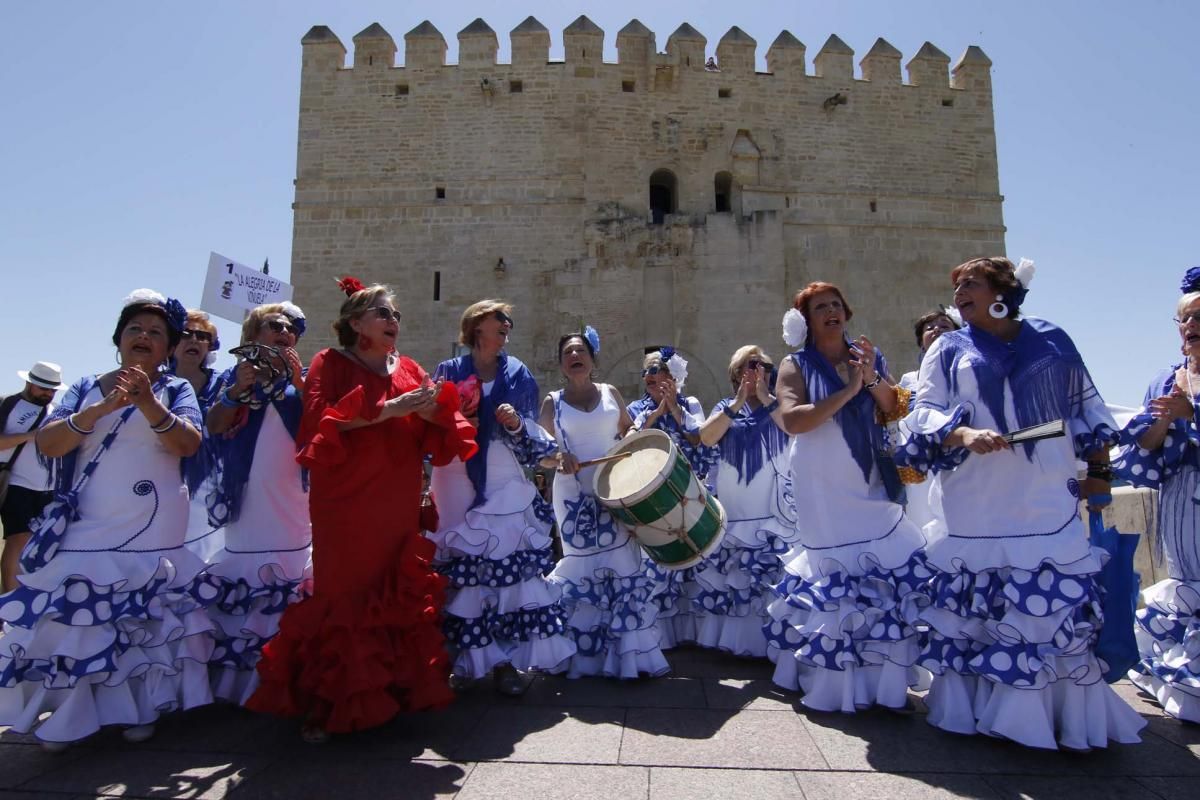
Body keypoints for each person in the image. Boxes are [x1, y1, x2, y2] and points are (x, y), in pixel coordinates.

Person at [899, 257, 1145, 750]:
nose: (960, 291)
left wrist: (1099, 475)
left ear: (1002, 290)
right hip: (975, 501)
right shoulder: (947, 347)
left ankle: (1048, 714)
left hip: (1045, 493)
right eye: (957, 286)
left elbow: (1085, 410)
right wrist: (963, 431)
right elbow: (923, 412)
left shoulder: (1053, 339)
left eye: (971, 282)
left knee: (1046, 603)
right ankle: (980, 709)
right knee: (981, 602)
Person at [246, 277, 476, 742]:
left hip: (396, 496)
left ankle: (393, 690)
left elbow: (440, 421)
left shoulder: (409, 367)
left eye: (395, 315)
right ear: (355, 323)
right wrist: (392, 408)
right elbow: (319, 419)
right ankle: (330, 700)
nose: (394, 321)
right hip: (345, 500)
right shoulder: (328, 363)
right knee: (344, 590)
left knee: (393, 587)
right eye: (383, 313)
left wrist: (439, 408)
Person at [0, 289, 216, 750]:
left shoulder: (176, 390)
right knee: (81, 619)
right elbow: (49, 443)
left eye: (156, 332)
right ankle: (71, 715)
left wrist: (146, 403)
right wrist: (102, 408)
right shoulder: (82, 387)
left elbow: (190, 444)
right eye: (135, 329)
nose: (144, 336)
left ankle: (139, 707)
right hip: (89, 520)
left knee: (143, 618)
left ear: (169, 347)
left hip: (154, 523)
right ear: (118, 339)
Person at [764, 282, 930, 713]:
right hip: (822, 483)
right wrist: (846, 393)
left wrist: (870, 377)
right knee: (838, 574)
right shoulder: (794, 365)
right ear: (807, 319)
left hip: (870, 475)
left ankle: (884, 682)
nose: (832, 311)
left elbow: (896, 404)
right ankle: (838, 684)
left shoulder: (865, 358)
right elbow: (792, 420)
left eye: (836, 304)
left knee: (884, 564)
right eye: (821, 307)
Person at [428, 300, 574, 694]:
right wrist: (457, 421)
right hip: (456, 473)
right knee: (467, 570)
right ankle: (469, 659)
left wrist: (513, 424)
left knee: (509, 569)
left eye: (509, 322)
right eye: (500, 321)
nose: (507, 327)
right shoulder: (448, 371)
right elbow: (430, 424)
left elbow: (529, 436)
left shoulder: (519, 373)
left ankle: (506, 661)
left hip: (504, 475)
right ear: (477, 327)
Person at [540, 328, 670, 678]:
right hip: (572, 498)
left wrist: (626, 442)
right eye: (567, 352)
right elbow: (541, 454)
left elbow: (627, 428)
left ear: (592, 359)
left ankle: (627, 657)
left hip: (614, 490)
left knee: (621, 564)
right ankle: (584, 658)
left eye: (580, 350)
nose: (574, 356)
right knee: (582, 568)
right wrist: (558, 457)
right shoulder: (553, 402)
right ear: (561, 363)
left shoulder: (611, 393)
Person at [202, 302, 312, 704]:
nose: (284, 332)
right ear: (252, 336)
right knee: (247, 581)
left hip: (294, 505)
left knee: (290, 579)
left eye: (290, 328)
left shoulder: (302, 384)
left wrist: (301, 384)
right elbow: (213, 426)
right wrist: (235, 392)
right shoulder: (231, 380)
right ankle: (243, 684)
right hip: (246, 504)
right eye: (274, 326)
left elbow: (323, 427)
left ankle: (285, 677)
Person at [1112, 268, 1200, 723]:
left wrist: (1193, 411)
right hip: (1182, 495)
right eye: (1184, 320)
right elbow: (1145, 444)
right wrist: (1165, 422)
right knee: (1187, 581)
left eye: (1198, 318)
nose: (1190, 328)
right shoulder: (1167, 378)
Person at [693, 346, 796, 656]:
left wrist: (765, 397)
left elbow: (792, 430)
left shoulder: (779, 405)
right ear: (735, 375)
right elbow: (707, 437)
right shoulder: (726, 406)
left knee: (771, 577)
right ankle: (737, 642)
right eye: (746, 367)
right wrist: (738, 402)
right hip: (736, 509)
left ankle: (773, 646)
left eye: (761, 366)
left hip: (772, 508)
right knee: (737, 577)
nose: (754, 372)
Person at [630, 347, 718, 649]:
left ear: (673, 376)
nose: (653, 377)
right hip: (655, 500)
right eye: (648, 373)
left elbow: (700, 438)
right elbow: (629, 442)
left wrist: (675, 409)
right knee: (659, 566)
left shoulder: (690, 404)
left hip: (688, 491)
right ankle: (662, 637)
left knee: (694, 562)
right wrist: (656, 414)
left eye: (660, 371)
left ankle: (693, 633)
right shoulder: (635, 410)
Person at [896, 308, 960, 533]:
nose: (937, 331)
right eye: (930, 327)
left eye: (945, 326)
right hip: (922, 462)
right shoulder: (910, 380)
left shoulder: (968, 373)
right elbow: (900, 418)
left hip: (960, 455)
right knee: (922, 519)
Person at [0, 361, 61, 592]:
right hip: (15, 484)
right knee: (17, 540)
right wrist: (32, 435)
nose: (47, 393)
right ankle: (8, 602)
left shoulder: (56, 411)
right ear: (29, 382)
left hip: (48, 488)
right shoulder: (7, 404)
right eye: (43, 387)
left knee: (37, 544)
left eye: (52, 389)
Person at [172, 310, 225, 562]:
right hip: (163, 479)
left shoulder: (224, 384)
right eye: (186, 334)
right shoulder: (156, 383)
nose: (194, 340)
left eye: (202, 336)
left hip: (207, 484)